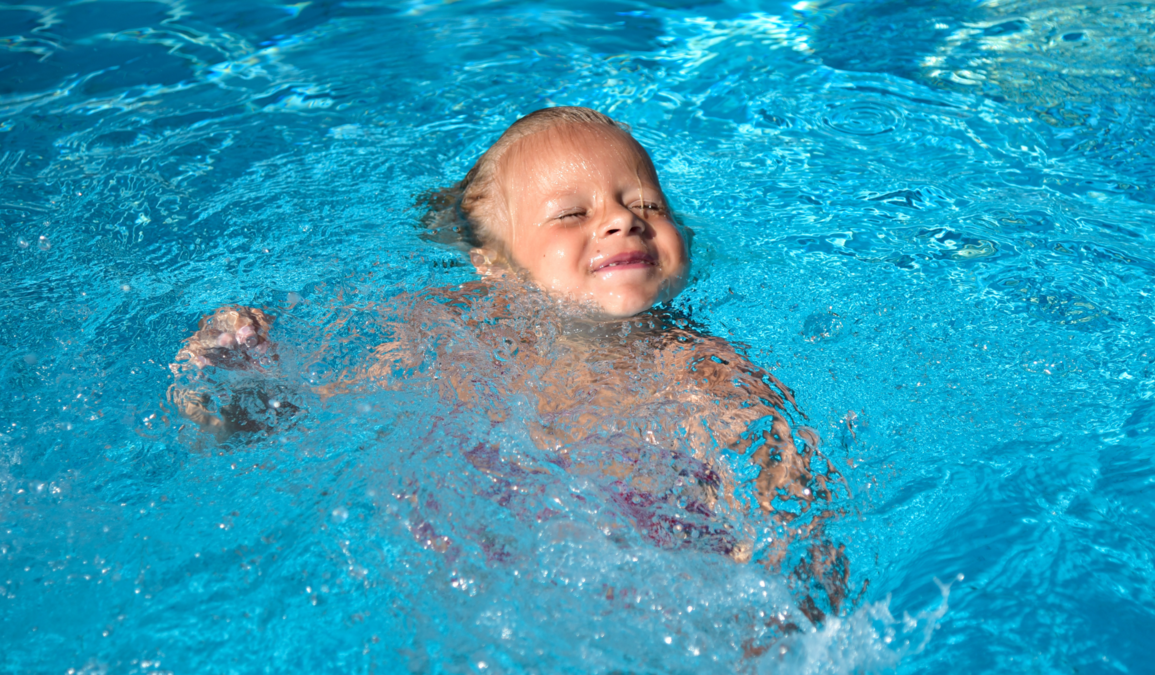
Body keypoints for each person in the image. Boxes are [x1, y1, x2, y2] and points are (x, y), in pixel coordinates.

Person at [169, 107, 849, 621]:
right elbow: (319, 409)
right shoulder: (446, 332)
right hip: (466, 583)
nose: (620, 220)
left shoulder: (705, 372)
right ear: (494, 267)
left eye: (644, 203)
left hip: (646, 597)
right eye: (572, 213)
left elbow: (793, 512)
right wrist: (251, 377)